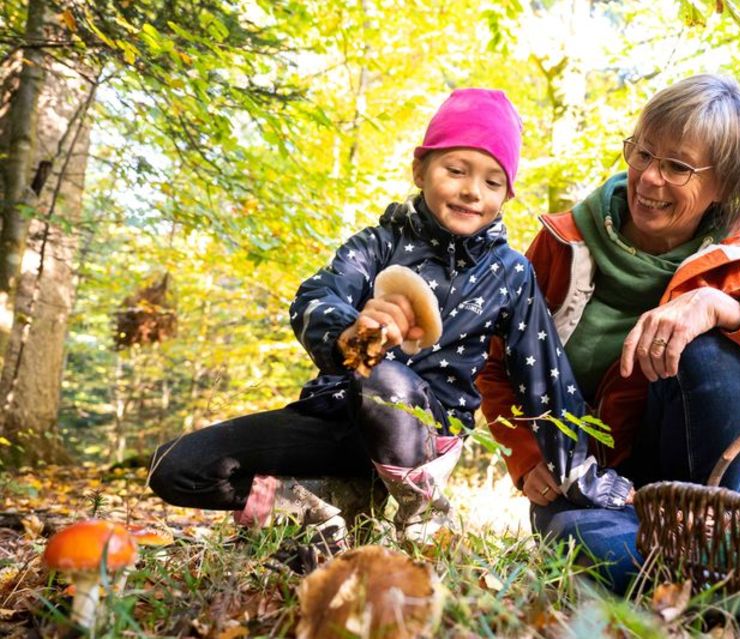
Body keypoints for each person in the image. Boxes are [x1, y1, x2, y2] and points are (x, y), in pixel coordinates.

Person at [148, 88, 629, 544]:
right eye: (456, 170)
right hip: (334, 417)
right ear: (421, 169)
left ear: (507, 196)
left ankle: (422, 515)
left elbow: (544, 373)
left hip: (420, 432)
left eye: (491, 180)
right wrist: (354, 334)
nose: (471, 192)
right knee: (174, 466)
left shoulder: (510, 274)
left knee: (385, 383)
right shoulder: (378, 244)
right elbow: (316, 296)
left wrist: (577, 469)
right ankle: (328, 505)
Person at [477, 74, 740, 593]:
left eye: (677, 167)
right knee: (608, 558)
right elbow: (495, 364)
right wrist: (527, 456)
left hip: (694, 500)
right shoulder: (562, 243)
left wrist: (728, 309)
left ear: (726, 186)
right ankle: (717, 584)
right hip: (588, 489)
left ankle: (705, 552)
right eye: (642, 154)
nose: (648, 179)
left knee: (711, 350)